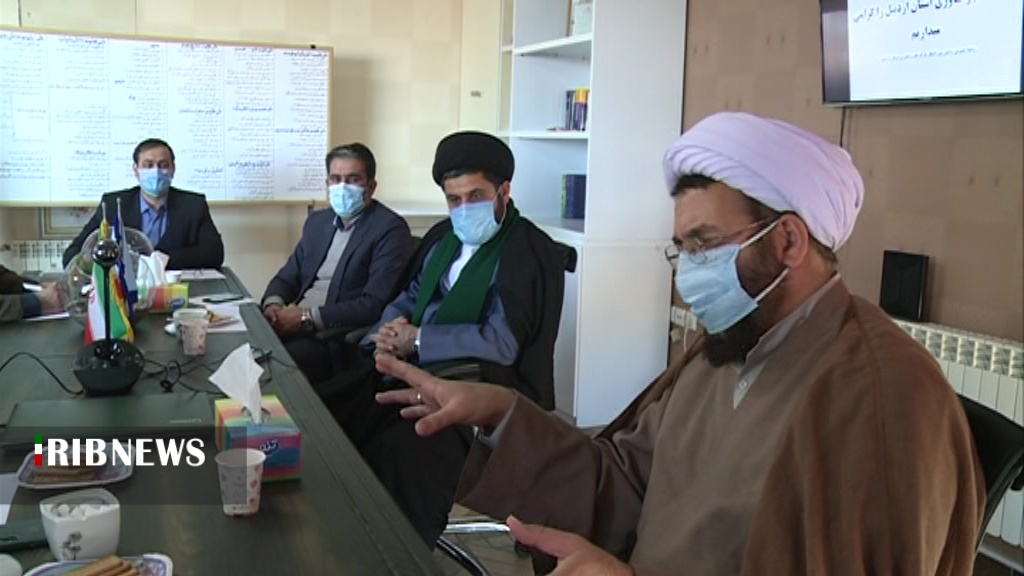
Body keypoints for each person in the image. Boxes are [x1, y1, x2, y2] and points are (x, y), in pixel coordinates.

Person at [373, 112, 985, 575]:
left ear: (789, 242)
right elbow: (624, 482)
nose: (689, 273)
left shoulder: (881, 397)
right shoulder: (725, 352)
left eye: (704, 244)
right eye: (682, 248)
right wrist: (501, 413)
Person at [326, 130, 564, 547]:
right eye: (454, 199)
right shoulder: (444, 238)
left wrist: (419, 340)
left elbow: (502, 341)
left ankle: (396, 553)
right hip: (409, 367)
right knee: (333, 407)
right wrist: (389, 329)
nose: (464, 208)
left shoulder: (526, 251)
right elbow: (411, 293)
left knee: (400, 451)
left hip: (473, 388)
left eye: (476, 196)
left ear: (503, 192)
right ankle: (344, 534)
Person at [261, 143, 413, 386]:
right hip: (292, 323)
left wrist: (305, 318)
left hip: (331, 338)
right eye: (335, 179)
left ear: (371, 186)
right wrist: (274, 307)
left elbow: (373, 304)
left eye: (353, 179)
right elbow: (287, 277)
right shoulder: (317, 222)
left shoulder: (389, 229)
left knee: (272, 367)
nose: (343, 187)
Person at [62, 139, 225, 270]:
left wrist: (163, 259)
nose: (156, 171)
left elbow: (215, 253)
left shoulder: (193, 205)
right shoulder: (114, 205)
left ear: (173, 169)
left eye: (163, 165)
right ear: (136, 170)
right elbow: (72, 254)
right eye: (148, 165)